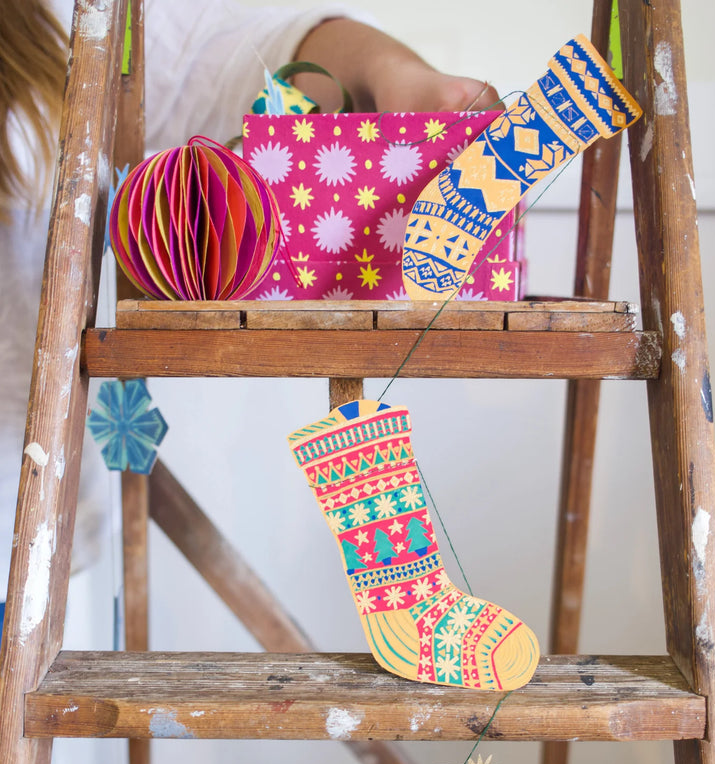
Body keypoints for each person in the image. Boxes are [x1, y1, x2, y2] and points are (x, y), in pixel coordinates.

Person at [0, 0, 498, 614]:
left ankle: (404, 605)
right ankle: (404, 610)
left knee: (359, 419)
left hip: (16, 541)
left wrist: (396, 74)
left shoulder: (61, 23)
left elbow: (244, 47)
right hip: (25, 527)